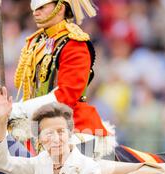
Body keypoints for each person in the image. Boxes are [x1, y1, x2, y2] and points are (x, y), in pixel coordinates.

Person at [10, 0, 116, 158]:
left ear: (60, 8)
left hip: (70, 123)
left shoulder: (74, 44)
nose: (35, 12)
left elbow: (65, 96)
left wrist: (19, 109)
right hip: (36, 122)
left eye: (41, 8)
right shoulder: (36, 42)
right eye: (34, 9)